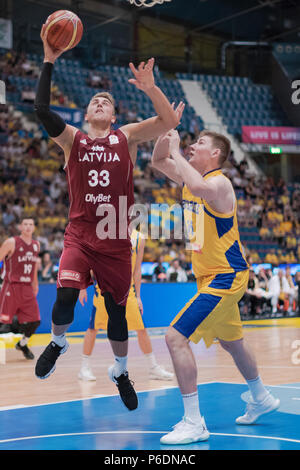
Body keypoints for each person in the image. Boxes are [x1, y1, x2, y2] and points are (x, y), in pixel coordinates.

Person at [33, 24, 179, 412]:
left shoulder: (125, 137)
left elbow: (168, 122)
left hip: (116, 238)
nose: (99, 102)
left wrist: (150, 88)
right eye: (94, 101)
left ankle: (119, 370)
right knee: (64, 295)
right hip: (80, 235)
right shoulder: (72, 139)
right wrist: (49, 60)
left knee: (117, 313)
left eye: (105, 101)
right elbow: (42, 110)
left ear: (114, 114)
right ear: (85, 113)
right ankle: (59, 341)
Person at [151, 129, 280, 445]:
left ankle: (194, 422)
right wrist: (163, 130)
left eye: (201, 144)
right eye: (193, 142)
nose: (194, 146)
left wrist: (179, 150)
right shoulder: (190, 180)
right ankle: (260, 396)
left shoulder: (219, 183)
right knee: (232, 342)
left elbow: (197, 184)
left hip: (226, 275)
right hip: (210, 276)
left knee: (174, 337)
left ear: (216, 155)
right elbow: (157, 161)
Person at [78, 228, 174, 381]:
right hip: (104, 288)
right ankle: (84, 368)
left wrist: (139, 296)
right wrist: (83, 286)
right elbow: (89, 261)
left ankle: (153, 368)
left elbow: (137, 270)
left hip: (128, 291)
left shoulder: (139, 238)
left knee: (141, 329)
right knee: (93, 328)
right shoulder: (104, 233)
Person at [0, 217, 40, 360]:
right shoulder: (11, 242)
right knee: (3, 323)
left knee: (35, 321)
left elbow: (34, 266)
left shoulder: (36, 245)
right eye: (25, 224)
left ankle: (22, 344)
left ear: (34, 227)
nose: (28, 227)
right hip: (10, 286)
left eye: (31, 224)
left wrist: (35, 284)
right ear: (20, 227)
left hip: (27, 287)